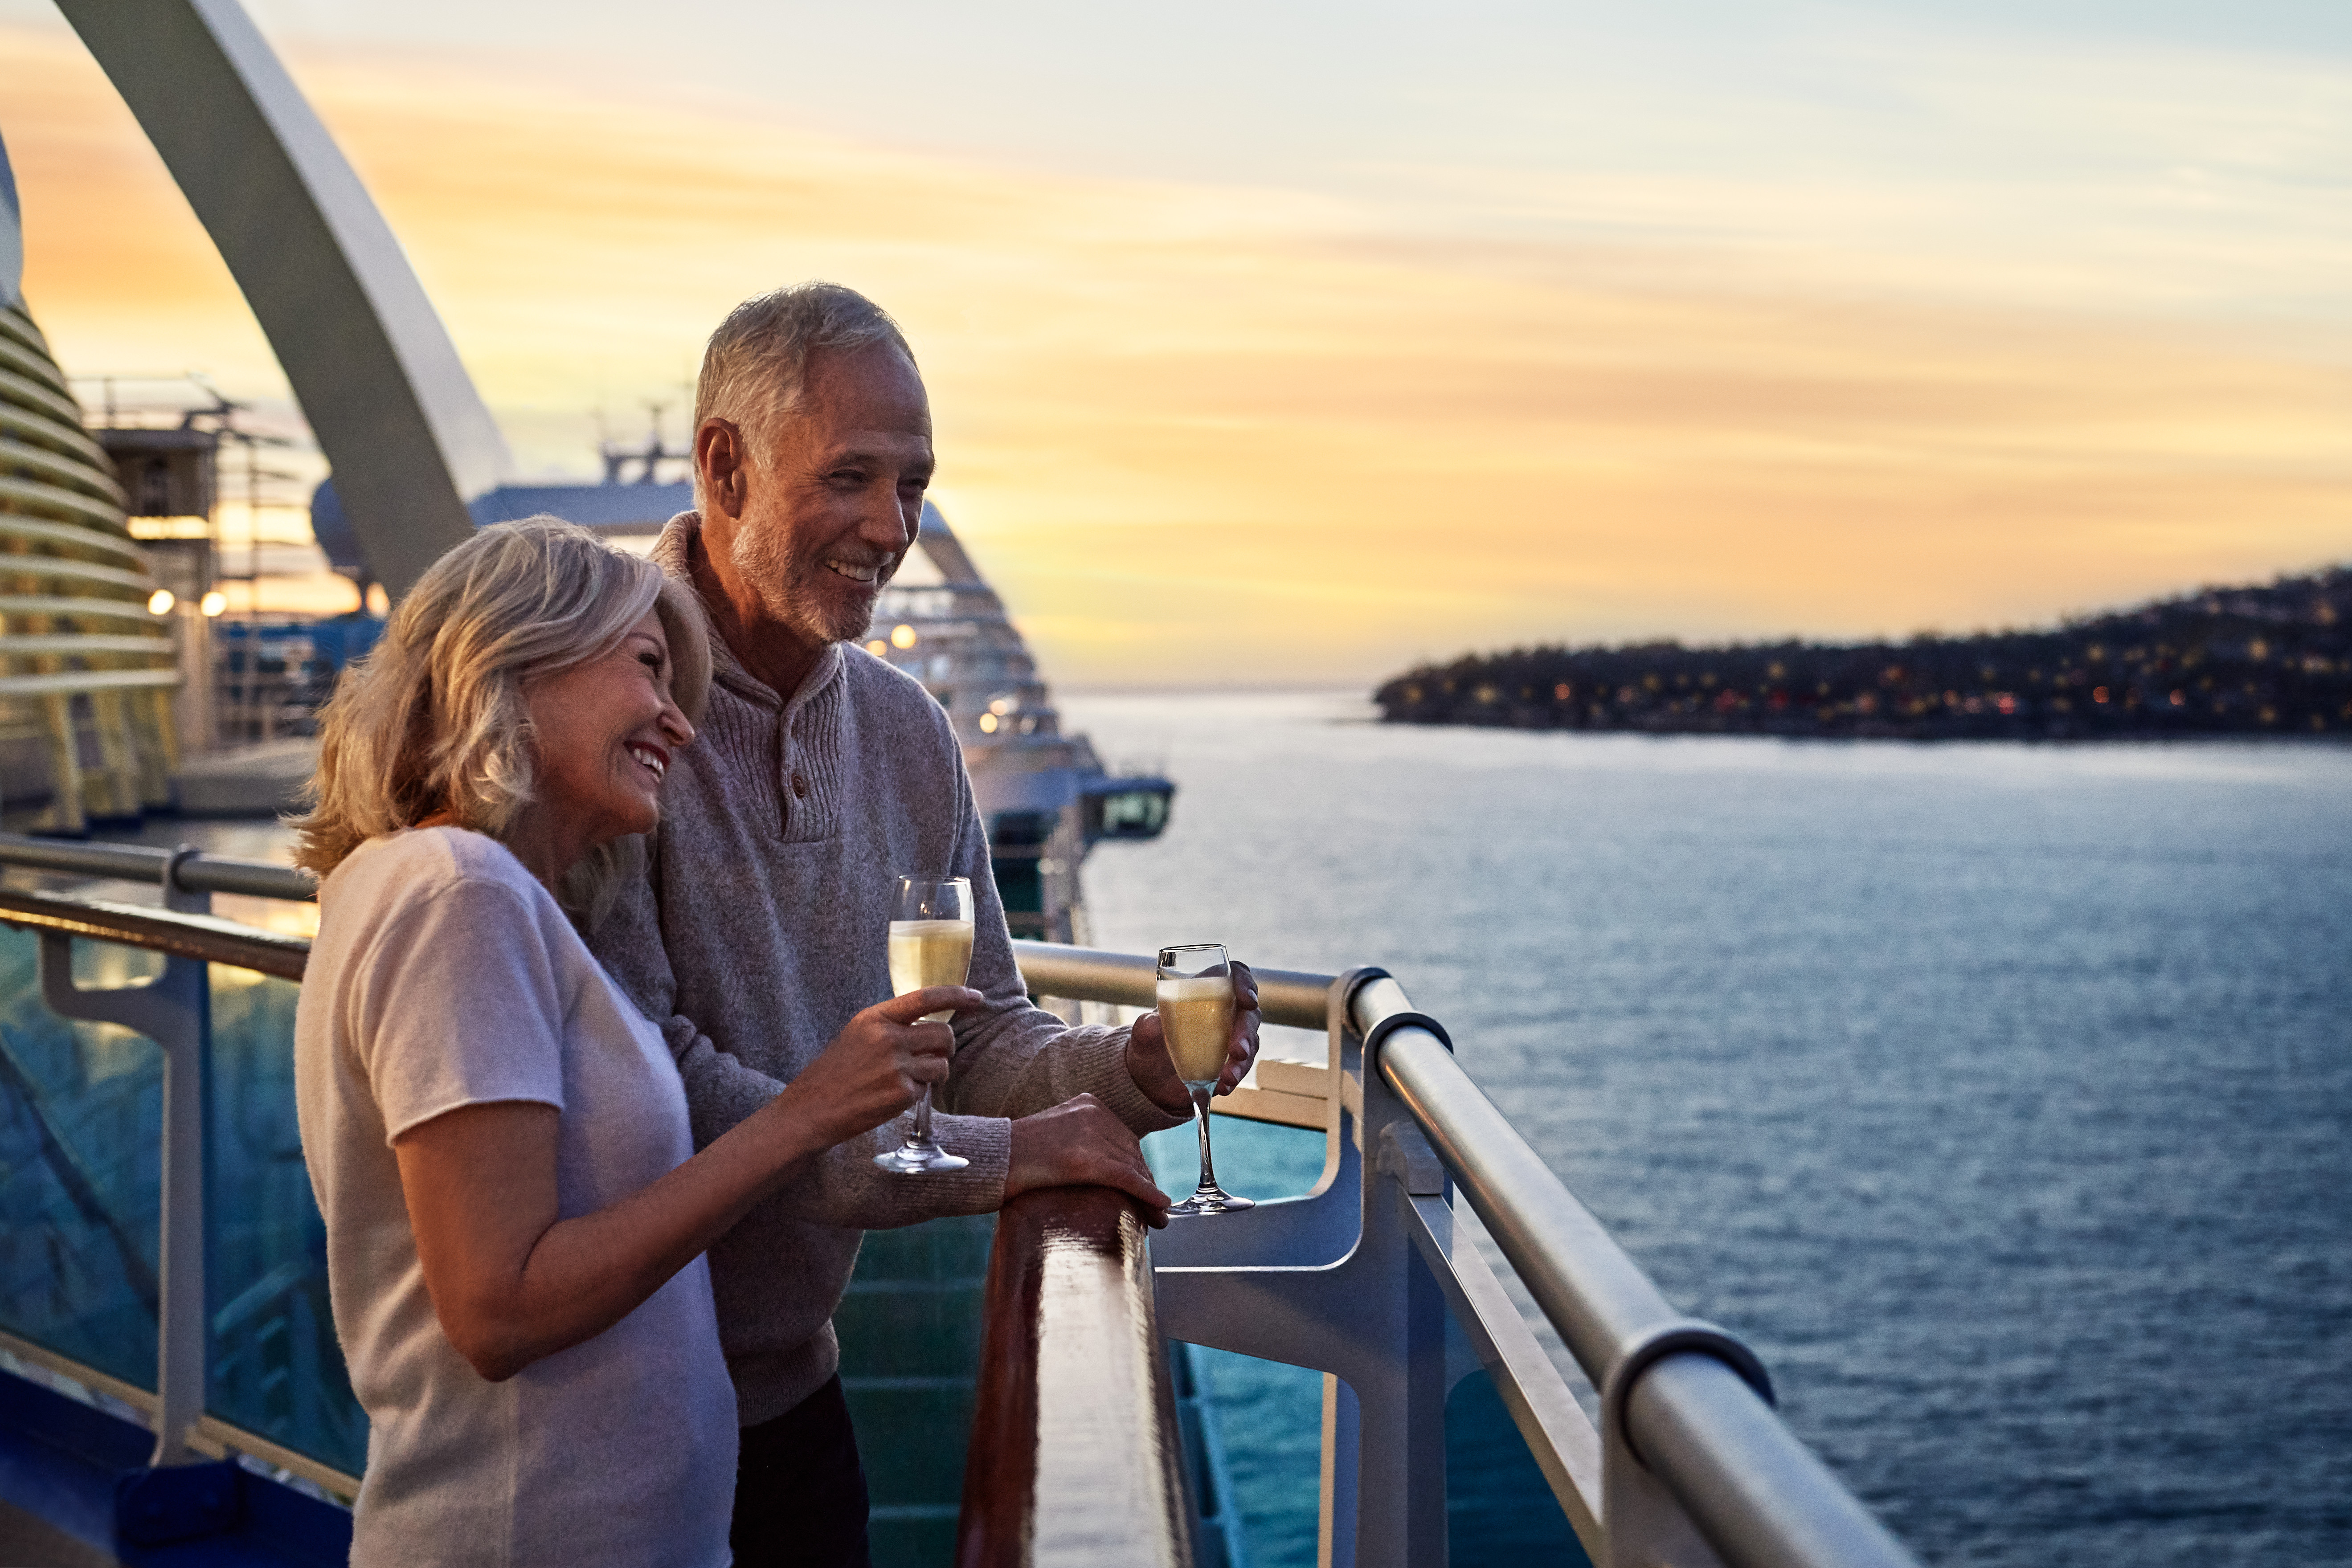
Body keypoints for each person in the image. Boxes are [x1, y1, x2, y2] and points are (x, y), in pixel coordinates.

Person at [587, 283, 1263, 1566]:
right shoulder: (610, 704)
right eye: (851, 477)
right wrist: (1008, 1161)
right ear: (725, 466)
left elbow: (988, 1034)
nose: (890, 529)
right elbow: (651, 1092)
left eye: (915, 485)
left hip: (793, 1396)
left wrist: (1121, 1069)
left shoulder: (907, 734)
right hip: (611, 1424)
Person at [291, 516, 981, 1568]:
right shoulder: (455, 895)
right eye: (649, 669)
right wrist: (804, 1116)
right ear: (513, 656)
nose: (681, 723)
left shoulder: (476, 894)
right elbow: (500, 1306)